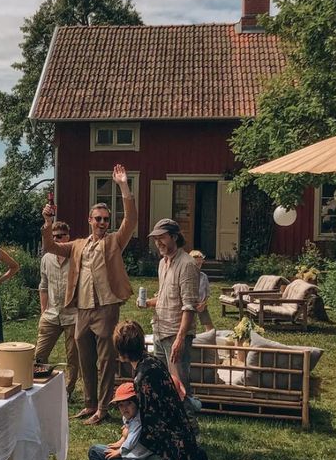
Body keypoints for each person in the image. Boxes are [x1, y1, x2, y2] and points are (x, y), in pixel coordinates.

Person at [114, 320, 256, 460]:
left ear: (122, 353)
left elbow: (152, 425)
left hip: (172, 451)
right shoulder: (153, 362)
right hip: (184, 441)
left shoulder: (143, 377)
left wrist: (126, 446)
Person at [42, 163, 137, 425]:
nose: (103, 223)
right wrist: (48, 222)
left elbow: (131, 221)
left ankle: (104, 408)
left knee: (106, 360)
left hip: (106, 307)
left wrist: (123, 186)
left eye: (106, 219)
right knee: (85, 359)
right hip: (82, 309)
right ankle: (89, 403)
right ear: (89, 220)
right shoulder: (77, 245)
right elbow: (50, 245)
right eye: (98, 219)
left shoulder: (114, 241)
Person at [143, 218, 202, 419]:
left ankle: (190, 430)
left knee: (180, 386)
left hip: (176, 334)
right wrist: (148, 302)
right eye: (155, 238)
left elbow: (189, 307)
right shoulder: (163, 263)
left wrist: (180, 339)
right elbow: (164, 295)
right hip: (160, 330)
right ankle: (169, 426)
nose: (158, 242)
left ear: (174, 237)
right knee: (162, 382)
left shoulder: (187, 264)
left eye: (162, 238)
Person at [35, 219, 80, 400]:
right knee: (39, 354)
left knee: (72, 358)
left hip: (73, 315)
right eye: (53, 237)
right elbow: (43, 286)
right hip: (52, 314)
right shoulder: (46, 258)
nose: (57, 239)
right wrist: (43, 310)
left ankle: (67, 391)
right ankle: (43, 385)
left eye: (60, 236)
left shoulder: (76, 258)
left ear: (68, 237)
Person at [88, 381, 151, 460]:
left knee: (94, 451)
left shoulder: (138, 421)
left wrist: (119, 452)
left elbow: (131, 441)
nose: (124, 408)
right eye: (121, 405)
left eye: (128, 403)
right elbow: (127, 432)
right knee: (105, 449)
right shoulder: (131, 416)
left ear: (137, 403)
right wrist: (119, 443)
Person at [190, 249, 214, 331]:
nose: (198, 266)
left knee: (210, 328)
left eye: (200, 264)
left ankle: (209, 337)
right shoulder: (186, 276)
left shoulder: (203, 276)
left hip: (201, 304)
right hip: (189, 305)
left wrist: (203, 303)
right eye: (196, 264)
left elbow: (207, 293)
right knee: (189, 327)